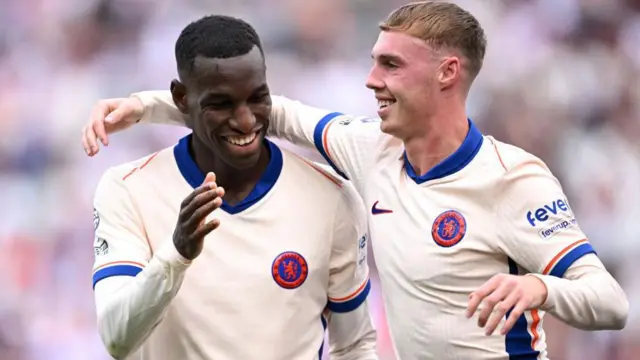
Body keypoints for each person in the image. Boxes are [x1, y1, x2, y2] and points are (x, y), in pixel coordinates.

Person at [82, 2, 629, 359]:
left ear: (447, 73)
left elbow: (609, 302)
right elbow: (252, 112)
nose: (371, 80)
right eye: (373, 62)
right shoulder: (370, 151)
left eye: (391, 66)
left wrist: (539, 287)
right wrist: (143, 105)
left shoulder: (514, 180)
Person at [89, 15, 377, 360]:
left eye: (258, 98)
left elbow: (355, 346)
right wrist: (175, 254)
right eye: (222, 104)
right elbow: (117, 339)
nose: (245, 120)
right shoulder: (127, 189)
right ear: (181, 98)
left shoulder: (332, 197)